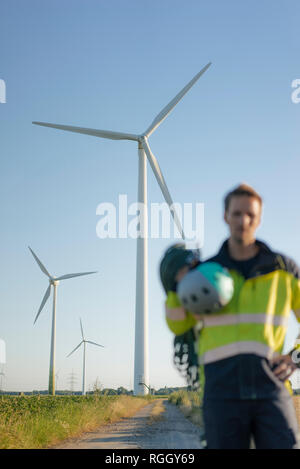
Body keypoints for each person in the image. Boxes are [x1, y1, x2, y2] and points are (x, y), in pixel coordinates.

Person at [163, 183, 300, 449]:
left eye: (250, 214)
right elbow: (177, 323)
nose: (243, 220)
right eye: (237, 213)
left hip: (271, 386)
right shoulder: (204, 273)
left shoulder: (283, 271)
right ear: (225, 216)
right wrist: (175, 286)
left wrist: (296, 357)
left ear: (259, 219)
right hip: (220, 390)